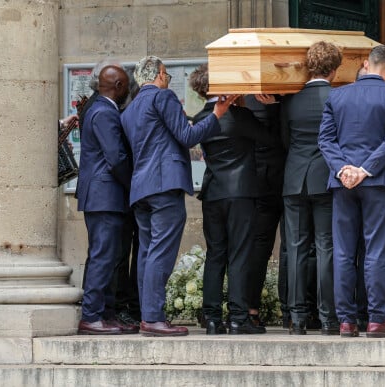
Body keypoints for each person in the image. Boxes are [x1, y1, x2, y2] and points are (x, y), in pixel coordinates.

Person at [120, 56, 236, 337]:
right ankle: (153, 318)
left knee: (146, 253)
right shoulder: (163, 97)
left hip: (141, 188)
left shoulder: (130, 109)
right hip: (164, 185)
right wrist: (218, 113)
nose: (167, 80)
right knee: (160, 252)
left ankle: (148, 316)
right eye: (167, 76)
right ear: (160, 75)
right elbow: (187, 136)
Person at [318, 45, 385, 338]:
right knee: (376, 252)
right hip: (378, 181)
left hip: (342, 183)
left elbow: (325, 140)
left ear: (366, 65)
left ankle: (346, 321)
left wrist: (344, 169)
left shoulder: (338, 94)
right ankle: (376, 319)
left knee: (343, 252)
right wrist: (365, 169)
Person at [190, 65, 274, 335]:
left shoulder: (202, 117)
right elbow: (270, 139)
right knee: (239, 254)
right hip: (240, 193)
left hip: (213, 193)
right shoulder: (239, 116)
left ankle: (212, 318)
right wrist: (270, 108)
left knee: (216, 255)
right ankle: (238, 317)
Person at [281, 41, 342, 335]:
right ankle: (328, 318)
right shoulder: (338, 97)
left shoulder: (290, 99)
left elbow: (284, 138)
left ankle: (297, 317)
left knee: (295, 249)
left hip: (294, 178)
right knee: (326, 247)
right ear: (334, 68)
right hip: (326, 179)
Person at [79, 58, 141, 328]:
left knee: (108, 256)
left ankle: (106, 313)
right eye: (126, 86)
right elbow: (115, 158)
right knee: (103, 257)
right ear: (118, 85)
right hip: (105, 196)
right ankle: (91, 316)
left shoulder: (100, 109)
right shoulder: (105, 112)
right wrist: (133, 185)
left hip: (103, 196)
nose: (128, 90)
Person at [243, 93, 285, 327]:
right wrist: (277, 108)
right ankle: (292, 312)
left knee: (258, 247)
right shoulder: (276, 103)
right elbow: (279, 140)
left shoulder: (244, 101)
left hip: (256, 181)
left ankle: (249, 308)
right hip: (274, 182)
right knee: (288, 247)